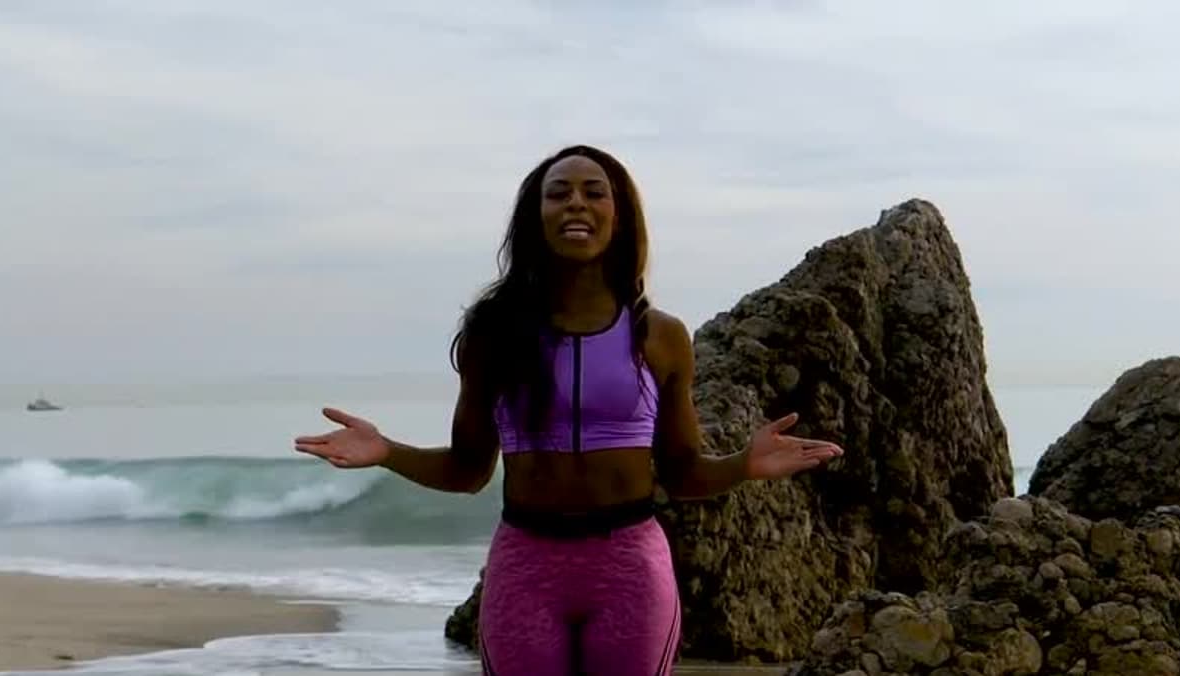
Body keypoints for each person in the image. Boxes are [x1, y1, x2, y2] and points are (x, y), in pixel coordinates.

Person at [291, 144, 844, 675]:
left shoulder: (660, 337)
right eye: (558, 194)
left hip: (630, 566)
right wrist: (387, 451)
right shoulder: (494, 332)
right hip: (527, 567)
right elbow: (467, 471)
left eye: (594, 192)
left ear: (619, 216)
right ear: (536, 218)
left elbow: (681, 474)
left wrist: (744, 464)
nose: (576, 203)